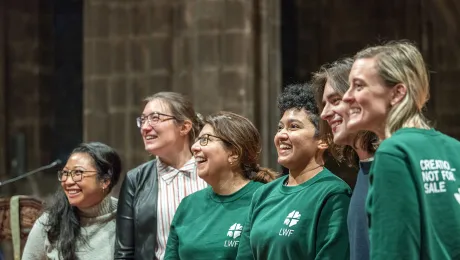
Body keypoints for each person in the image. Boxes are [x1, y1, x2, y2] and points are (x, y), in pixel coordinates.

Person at [342, 40, 460, 259]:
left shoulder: (393, 153)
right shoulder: (455, 149)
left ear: (397, 94)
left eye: (358, 86)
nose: (347, 96)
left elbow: (394, 251)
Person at [236, 84, 351, 259]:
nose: (281, 135)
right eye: (280, 127)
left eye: (294, 127)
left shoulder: (333, 194)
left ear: (323, 141)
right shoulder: (263, 194)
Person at [164, 111, 277, 259]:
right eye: (197, 140)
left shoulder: (264, 199)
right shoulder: (188, 205)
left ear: (234, 153)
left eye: (205, 140)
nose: (194, 147)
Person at [115, 92, 207, 260]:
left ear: (184, 127)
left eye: (155, 118)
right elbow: (124, 252)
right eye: (142, 120)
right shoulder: (136, 179)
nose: (145, 127)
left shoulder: (211, 171)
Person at [311, 57, 378, 260]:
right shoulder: (364, 170)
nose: (324, 114)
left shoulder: (391, 165)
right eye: (324, 104)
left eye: (335, 100)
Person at [22, 142, 122, 260]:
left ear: (105, 181)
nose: (68, 181)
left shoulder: (126, 218)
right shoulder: (50, 221)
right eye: (65, 173)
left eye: (78, 173)